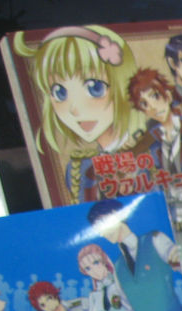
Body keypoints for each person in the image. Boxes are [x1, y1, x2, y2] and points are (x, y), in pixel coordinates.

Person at [11, 25, 143, 203]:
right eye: (60, 93)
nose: (74, 109)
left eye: (94, 88)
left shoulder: (153, 151)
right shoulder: (77, 169)